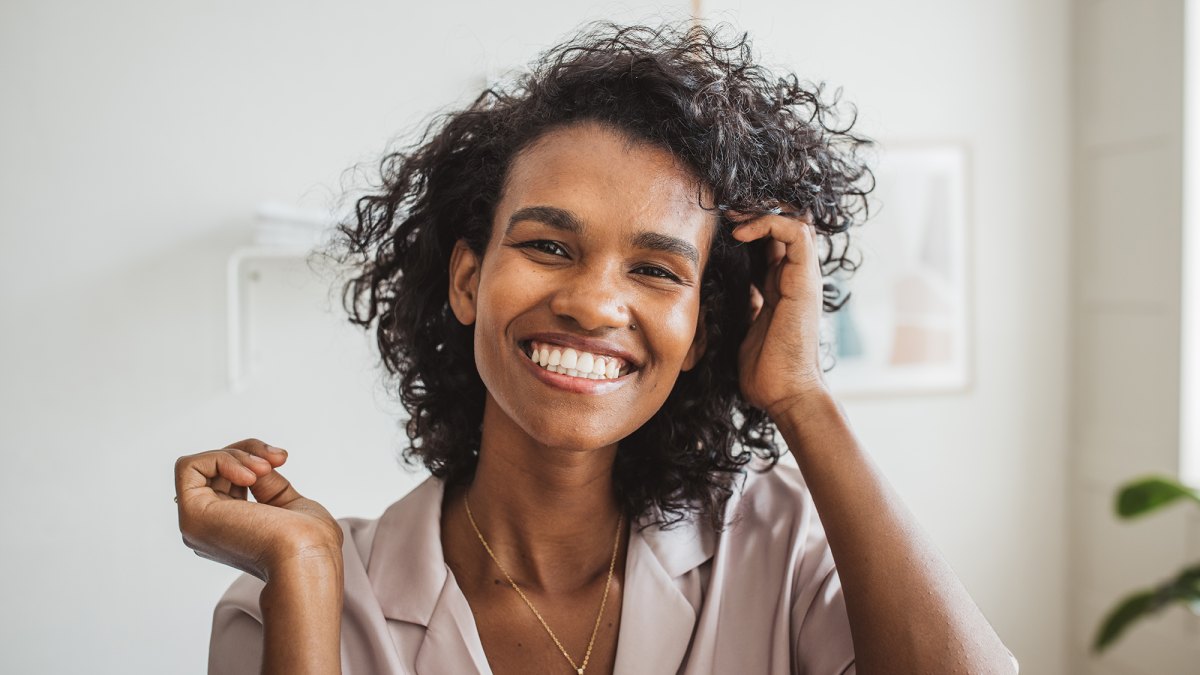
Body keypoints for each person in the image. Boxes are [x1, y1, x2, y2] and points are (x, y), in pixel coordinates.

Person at [174, 21, 1019, 675]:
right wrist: (307, 573)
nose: (591, 302)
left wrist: (802, 396)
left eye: (655, 268)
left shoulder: (777, 545)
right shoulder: (294, 596)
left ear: (698, 334)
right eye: (548, 245)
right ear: (468, 280)